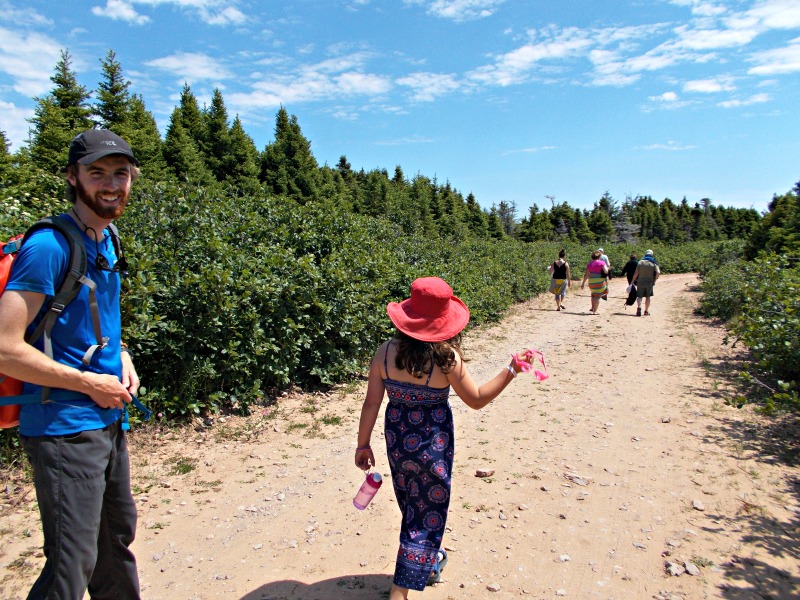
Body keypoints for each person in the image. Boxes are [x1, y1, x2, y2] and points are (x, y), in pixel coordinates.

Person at [0, 129, 142, 599]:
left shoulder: (106, 238)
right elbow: (4, 347)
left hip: (105, 417)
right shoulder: (49, 247)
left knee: (114, 546)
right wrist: (87, 382)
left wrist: (120, 354)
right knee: (70, 566)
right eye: (96, 172)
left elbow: (89, 321)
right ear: (72, 176)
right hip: (62, 425)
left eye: (120, 173)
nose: (110, 184)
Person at [354, 277, 534, 600]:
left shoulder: (384, 353)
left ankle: (430, 561)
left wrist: (362, 443)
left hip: (398, 445)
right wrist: (511, 369)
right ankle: (400, 591)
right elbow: (477, 398)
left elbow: (371, 403)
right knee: (424, 515)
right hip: (433, 449)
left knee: (413, 506)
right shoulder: (446, 359)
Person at [632, 249, 661, 316]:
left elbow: (636, 272)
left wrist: (633, 280)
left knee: (639, 296)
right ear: (652, 255)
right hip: (649, 282)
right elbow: (658, 272)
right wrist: (655, 280)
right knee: (648, 297)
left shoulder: (640, 262)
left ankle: (639, 307)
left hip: (640, 281)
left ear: (645, 254)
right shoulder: (653, 262)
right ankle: (646, 311)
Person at [580, 250, 609, 314]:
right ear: (599, 256)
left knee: (593, 294)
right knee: (597, 296)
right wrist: (607, 269)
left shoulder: (589, 264)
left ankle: (593, 308)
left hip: (591, 282)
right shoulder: (602, 263)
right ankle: (595, 311)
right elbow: (606, 271)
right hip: (600, 281)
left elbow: (586, 275)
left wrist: (583, 283)